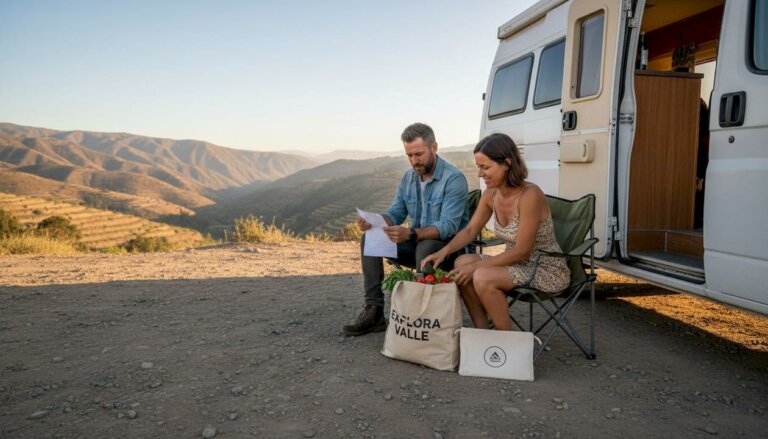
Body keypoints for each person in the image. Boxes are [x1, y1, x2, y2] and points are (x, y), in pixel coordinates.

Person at [420, 133, 570, 330]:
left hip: (543, 269)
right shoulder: (491, 194)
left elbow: (522, 251)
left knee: (481, 275)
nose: (480, 174)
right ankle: (482, 333)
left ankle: (503, 341)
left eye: (485, 167)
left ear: (506, 163)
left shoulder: (530, 195)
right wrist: (443, 252)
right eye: (478, 167)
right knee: (461, 262)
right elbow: (471, 230)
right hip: (514, 264)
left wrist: (475, 269)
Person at [341, 122, 469, 336]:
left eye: (418, 154)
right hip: (417, 244)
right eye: (409, 155)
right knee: (369, 238)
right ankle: (374, 311)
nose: (413, 161)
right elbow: (396, 212)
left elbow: (449, 226)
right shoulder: (409, 178)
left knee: (426, 246)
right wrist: (375, 221)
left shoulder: (453, 179)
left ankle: (422, 314)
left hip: (447, 251)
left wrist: (410, 233)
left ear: (434, 147)